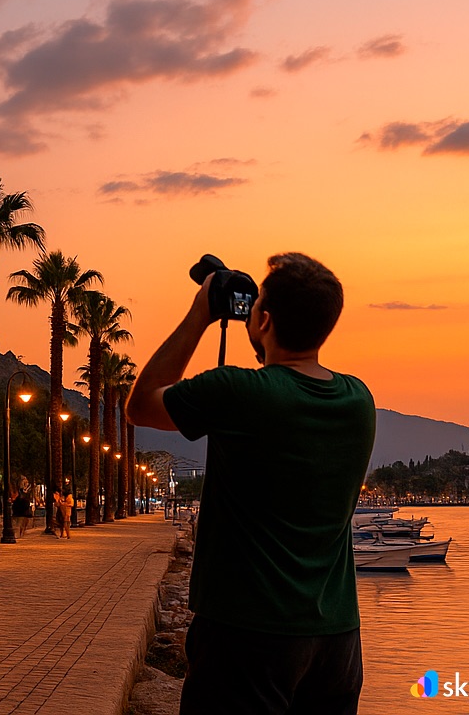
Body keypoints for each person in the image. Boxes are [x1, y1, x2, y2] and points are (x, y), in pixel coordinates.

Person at [126, 253, 374, 715]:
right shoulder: (359, 399)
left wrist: (202, 312)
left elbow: (140, 406)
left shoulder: (238, 391)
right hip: (337, 639)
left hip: (248, 635)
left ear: (262, 319)